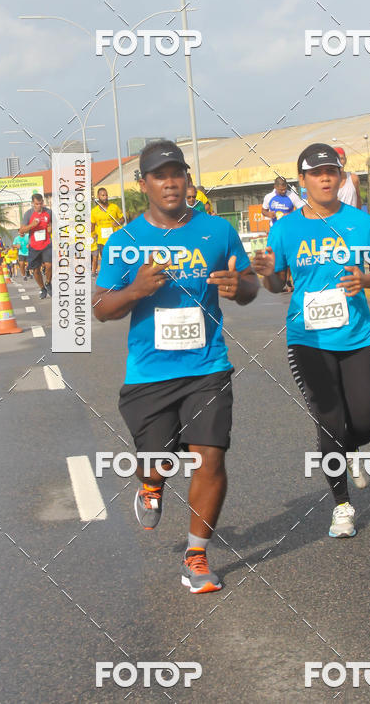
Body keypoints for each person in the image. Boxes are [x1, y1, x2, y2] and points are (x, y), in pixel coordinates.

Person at [95, 140, 259, 593]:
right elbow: (100, 308)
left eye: (177, 173)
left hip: (208, 366)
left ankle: (196, 555)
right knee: (160, 460)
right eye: (159, 175)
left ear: (187, 179)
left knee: (210, 456)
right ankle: (150, 481)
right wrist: (136, 290)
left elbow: (248, 286)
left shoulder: (217, 231)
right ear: (143, 184)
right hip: (149, 373)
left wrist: (237, 286)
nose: (170, 182)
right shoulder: (124, 241)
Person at [253, 143, 370, 538]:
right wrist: (266, 272)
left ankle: (353, 449)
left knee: (363, 423)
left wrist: (364, 279)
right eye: (316, 173)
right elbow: (277, 282)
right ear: (303, 181)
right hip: (307, 338)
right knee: (329, 420)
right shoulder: (285, 228)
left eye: (331, 171)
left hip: (357, 335)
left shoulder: (359, 223)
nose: (325, 178)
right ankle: (342, 506)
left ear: (341, 177)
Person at [19, 193, 53, 299]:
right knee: (36, 270)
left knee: (49, 265)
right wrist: (31, 225)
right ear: (33, 204)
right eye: (37, 204)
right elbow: (21, 231)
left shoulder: (48, 212)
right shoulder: (28, 214)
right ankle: (42, 288)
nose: (39, 205)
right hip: (34, 246)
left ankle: (48, 283)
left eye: (41, 203)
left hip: (46, 243)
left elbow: (53, 224)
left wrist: (51, 228)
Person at [91, 187, 125, 275]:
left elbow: (122, 219)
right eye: (103, 195)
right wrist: (91, 236)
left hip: (114, 238)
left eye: (106, 195)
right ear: (98, 196)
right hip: (102, 240)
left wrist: (118, 223)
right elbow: (92, 226)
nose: (105, 197)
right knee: (106, 259)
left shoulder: (114, 207)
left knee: (116, 258)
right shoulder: (94, 211)